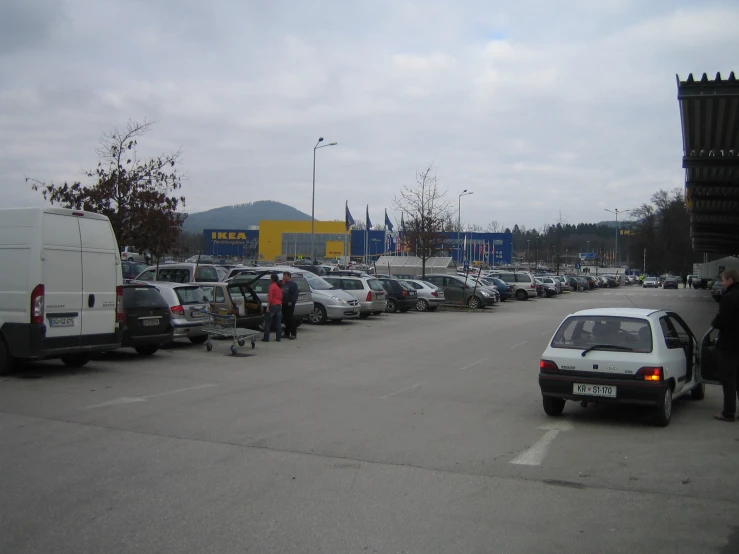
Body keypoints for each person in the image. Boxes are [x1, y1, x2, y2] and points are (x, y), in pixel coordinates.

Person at [711, 268, 739, 422]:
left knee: (728, 380)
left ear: (730, 280)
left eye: (723, 280)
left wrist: (714, 322)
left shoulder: (728, 298)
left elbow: (722, 320)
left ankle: (728, 412)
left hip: (730, 344)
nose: (722, 283)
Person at [262, 273, 283, 342]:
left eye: (270, 278)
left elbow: (270, 298)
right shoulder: (279, 286)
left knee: (268, 322)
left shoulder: (272, 286)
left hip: (273, 305)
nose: (270, 279)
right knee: (278, 323)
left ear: (272, 279)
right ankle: (278, 338)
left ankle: (266, 338)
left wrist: (268, 307)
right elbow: (281, 296)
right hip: (279, 305)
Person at [282, 271, 300, 340]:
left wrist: (292, 302)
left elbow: (295, 294)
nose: (284, 277)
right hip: (283, 303)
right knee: (285, 319)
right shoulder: (283, 284)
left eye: (285, 276)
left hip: (290, 304)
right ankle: (286, 333)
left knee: (290, 318)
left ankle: (293, 333)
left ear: (289, 277)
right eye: (284, 276)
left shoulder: (293, 284)